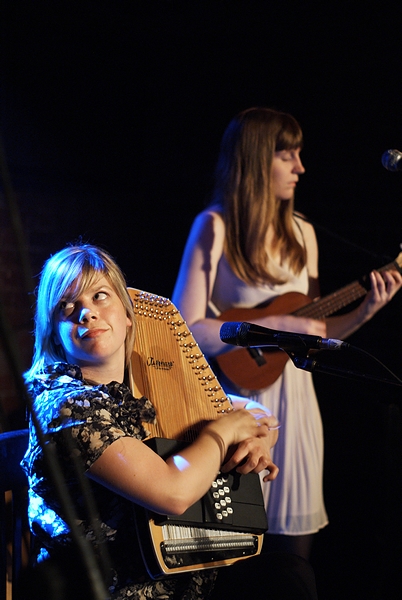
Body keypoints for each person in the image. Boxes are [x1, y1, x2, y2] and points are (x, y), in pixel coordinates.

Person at [20, 243, 319, 600]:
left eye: (100, 296)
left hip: (184, 577)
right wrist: (223, 432)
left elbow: (248, 409)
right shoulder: (64, 407)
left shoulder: (137, 389)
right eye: (67, 307)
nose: (86, 313)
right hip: (115, 588)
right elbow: (173, 494)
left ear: (128, 314)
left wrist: (258, 437)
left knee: (288, 575)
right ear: (53, 333)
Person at [172, 106, 402, 561]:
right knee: (230, 550)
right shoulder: (214, 226)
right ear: (257, 160)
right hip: (239, 404)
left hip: (296, 405)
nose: (300, 167)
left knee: (293, 561)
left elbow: (314, 331)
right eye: (287, 155)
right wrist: (277, 325)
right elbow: (185, 330)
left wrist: (366, 312)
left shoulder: (304, 233)